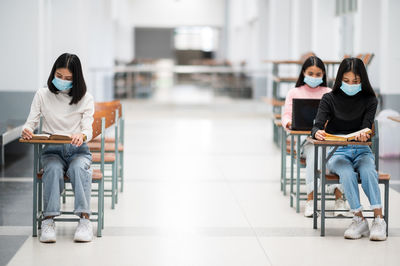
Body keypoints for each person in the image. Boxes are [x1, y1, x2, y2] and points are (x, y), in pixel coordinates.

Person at [22, 53, 95, 243]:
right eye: (59, 76)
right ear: (53, 73)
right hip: (52, 151)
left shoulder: (86, 98)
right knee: (53, 170)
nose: (62, 81)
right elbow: (30, 123)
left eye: (68, 78)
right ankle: (48, 220)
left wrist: (82, 135)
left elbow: (88, 129)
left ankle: (84, 220)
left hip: (78, 151)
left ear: (76, 78)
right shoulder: (42, 94)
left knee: (79, 169)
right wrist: (27, 130)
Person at [311, 57, 386, 241]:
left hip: (361, 150)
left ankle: (378, 219)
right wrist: (317, 132)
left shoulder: (370, 99)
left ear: (363, 81)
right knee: (346, 172)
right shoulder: (329, 98)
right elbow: (317, 125)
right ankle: (358, 218)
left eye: (356, 81)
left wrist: (365, 134)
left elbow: (367, 125)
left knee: (369, 171)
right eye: (346, 81)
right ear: (339, 79)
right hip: (338, 151)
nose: (351, 85)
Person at [282, 56, 348, 217]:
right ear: (303, 72)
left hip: (327, 138)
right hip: (305, 141)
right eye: (310, 73)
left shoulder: (329, 93)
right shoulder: (294, 92)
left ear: (323, 75)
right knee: (315, 152)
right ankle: (311, 201)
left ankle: (340, 200)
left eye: (318, 74)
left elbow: (337, 117)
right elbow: (286, 116)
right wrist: (290, 123)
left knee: (335, 154)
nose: (314, 76)